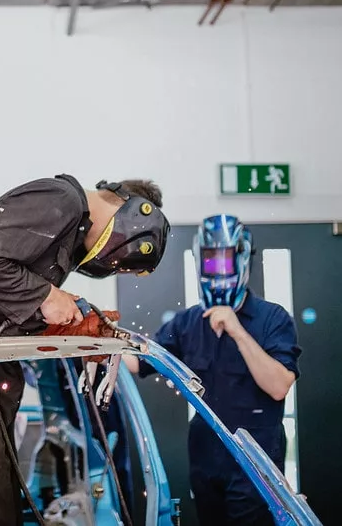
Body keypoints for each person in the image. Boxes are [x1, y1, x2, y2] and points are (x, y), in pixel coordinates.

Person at [0, 174, 170, 526]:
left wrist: (67, 320)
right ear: (128, 212)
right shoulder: (60, 198)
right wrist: (45, 296)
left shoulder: (65, 222)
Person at [125, 214, 301, 526]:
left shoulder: (273, 319)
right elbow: (139, 361)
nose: (218, 271)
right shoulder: (187, 323)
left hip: (256, 460)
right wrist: (100, 341)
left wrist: (237, 332)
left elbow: (278, 386)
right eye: (211, 262)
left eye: (225, 260)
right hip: (206, 455)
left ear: (243, 257)